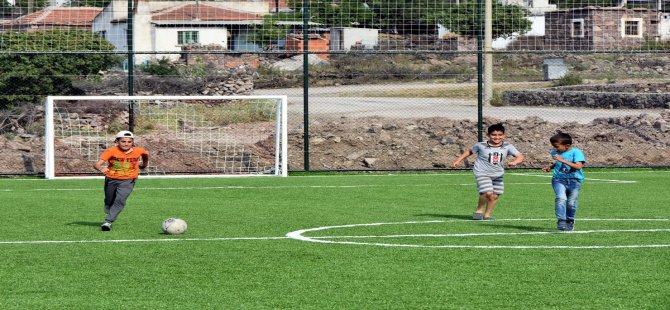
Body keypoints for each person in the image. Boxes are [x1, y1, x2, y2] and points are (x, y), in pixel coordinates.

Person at [450, 123, 524, 221]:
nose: (497, 137)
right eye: (493, 135)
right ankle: (479, 210)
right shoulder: (481, 145)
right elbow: (469, 151)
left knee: (494, 196)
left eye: (500, 135)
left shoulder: (507, 146)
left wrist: (515, 162)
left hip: (498, 174)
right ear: (488, 135)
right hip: (482, 172)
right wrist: (458, 160)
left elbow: (520, 156)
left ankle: (487, 215)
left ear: (504, 135)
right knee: (487, 193)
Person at [94, 130, 149, 231]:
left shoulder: (138, 150)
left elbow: (145, 154)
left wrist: (144, 164)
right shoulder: (111, 151)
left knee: (120, 200)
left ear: (132, 142)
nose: (126, 144)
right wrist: (102, 168)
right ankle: (108, 205)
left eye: (129, 141)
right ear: (117, 141)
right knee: (109, 199)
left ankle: (108, 222)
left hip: (128, 180)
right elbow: (97, 164)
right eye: (123, 141)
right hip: (111, 179)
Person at [542, 132, 586, 231]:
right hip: (558, 180)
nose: (555, 149)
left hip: (575, 181)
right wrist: (550, 167)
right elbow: (558, 163)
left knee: (571, 203)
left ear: (567, 145)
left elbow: (578, 166)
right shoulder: (555, 153)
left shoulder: (576, 152)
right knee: (561, 198)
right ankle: (561, 220)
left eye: (556, 146)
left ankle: (570, 220)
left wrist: (562, 160)